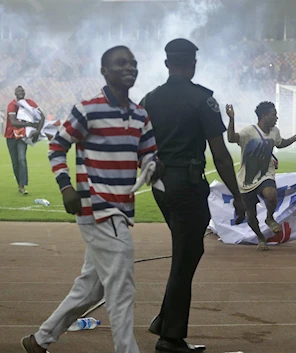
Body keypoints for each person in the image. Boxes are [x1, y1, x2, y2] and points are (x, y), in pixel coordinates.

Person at [21, 46, 153, 353]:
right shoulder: (87, 109)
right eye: (121, 63)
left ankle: (40, 340)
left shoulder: (140, 115)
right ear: (104, 71)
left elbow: (149, 156)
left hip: (121, 210)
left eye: (132, 63)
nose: (129, 67)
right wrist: (66, 187)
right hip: (96, 207)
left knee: (91, 288)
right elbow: (57, 147)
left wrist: (154, 167)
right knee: (122, 288)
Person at [139, 38, 245, 353]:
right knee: (186, 256)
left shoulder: (150, 99)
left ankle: (165, 320)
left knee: (189, 251)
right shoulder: (203, 100)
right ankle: (169, 338)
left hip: (160, 185)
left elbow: (138, 144)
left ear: (167, 63)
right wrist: (238, 196)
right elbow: (221, 154)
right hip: (187, 184)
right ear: (193, 63)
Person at [226, 102, 296, 250]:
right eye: (273, 114)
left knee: (271, 194)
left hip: (265, 173)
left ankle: (269, 218)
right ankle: (260, 238)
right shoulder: (249, 132)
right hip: (247, 178)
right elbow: (231, 138)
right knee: (251, 215)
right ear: (264, 116)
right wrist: (231, 119)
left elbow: (281, 143)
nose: (276, 117)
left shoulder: (274, 131)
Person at [5, 86, 43, 195]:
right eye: (18, 91)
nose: (21, 92)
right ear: (15, 93)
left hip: (22, 137)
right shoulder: (12, 105)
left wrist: (38, 131)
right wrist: (30, 124)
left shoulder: (30, 103)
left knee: (22, 159)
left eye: (22, 90)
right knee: (15, 163)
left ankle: (22, 187)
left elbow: (42, 116)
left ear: (25, 92)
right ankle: (19, 184)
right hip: (11, 136)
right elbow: (13, 122)